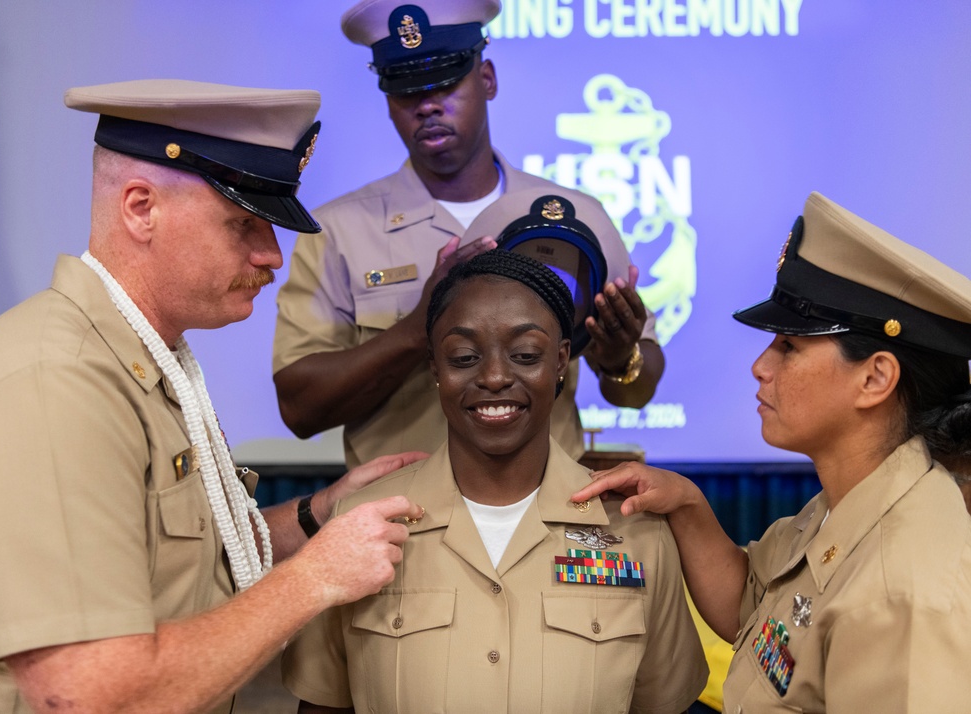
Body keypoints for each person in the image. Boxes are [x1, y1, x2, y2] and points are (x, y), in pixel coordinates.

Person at [0, 79, 425, 714]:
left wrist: (318, 515)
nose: (272, 255)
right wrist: (316, 577)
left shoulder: (142, 357)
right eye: (244, 223)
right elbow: (88, 694)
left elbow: (190, 567)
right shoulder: (58, 381)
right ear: (140, 208)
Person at [572, 192, 971, 712]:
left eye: (789, 346)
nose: (760, 366)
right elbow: (755, 611)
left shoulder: (903, 592)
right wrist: (688, 502)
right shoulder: (852, 502)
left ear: (875, 378)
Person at [281, 249, 707, 713]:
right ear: (434, 367)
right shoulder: (359, 523)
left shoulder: (635, 531)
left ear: (561, 360)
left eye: (525, 354)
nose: (495, 376)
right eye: (464, 356)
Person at [272, 0, 664, 470]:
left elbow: (638, 393)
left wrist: (621, 358)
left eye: (446, 80)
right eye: (405, 90)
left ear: (487, 79)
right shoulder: (338, 230)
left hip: (548, 512)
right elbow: (300, 409)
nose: (428, 105)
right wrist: (416, 331)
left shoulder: (575, 217)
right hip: (401, 519)